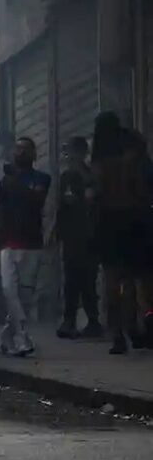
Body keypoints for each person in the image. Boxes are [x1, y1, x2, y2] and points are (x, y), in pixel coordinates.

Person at [91, 113, 151, 354]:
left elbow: (95, 193)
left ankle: (117, 332)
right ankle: (134, 325)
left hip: (108, 222)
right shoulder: (132, 156)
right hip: (135, 219)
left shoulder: (101, 160)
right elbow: (144, 188)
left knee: (112, 280)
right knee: (134, 278)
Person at [0, 137, 51, 357]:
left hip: (32, 243)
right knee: (9, 290)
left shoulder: (42, 179)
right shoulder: (4, 181)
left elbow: (36, 200)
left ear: (34, 154)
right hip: (8, 243)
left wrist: (13, 179)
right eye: (17, 148)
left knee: (24, 297)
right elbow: (0, 211)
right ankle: (23, 336)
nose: (21, 153)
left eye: (25, 149)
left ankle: (6, 337)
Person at [53, 136, 102, 339]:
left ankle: (83, 321)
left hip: (83, 236)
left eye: (71, 151)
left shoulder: (81, 176)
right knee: (77, 280)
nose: (68, 156)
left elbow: (69, 203)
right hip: (77, 235)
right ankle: (75, 320)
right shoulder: (78, 175)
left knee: (82, 280)